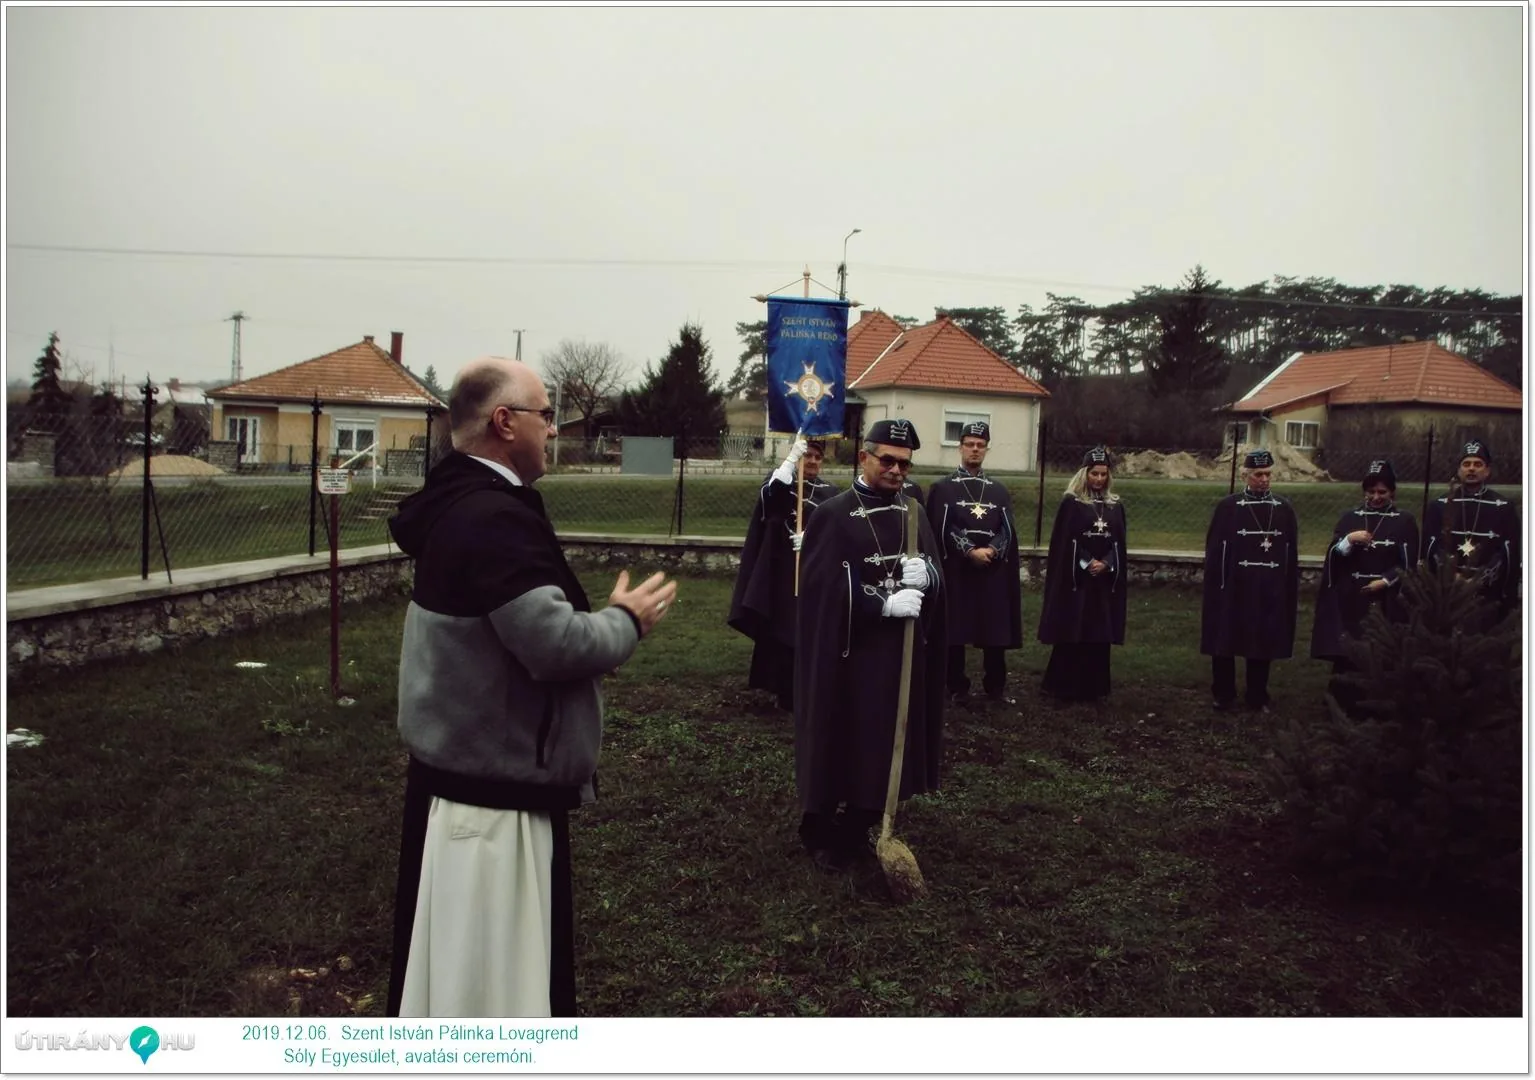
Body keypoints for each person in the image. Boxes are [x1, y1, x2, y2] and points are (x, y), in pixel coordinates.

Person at [385, 356, 677, 1018]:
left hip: (462, 786)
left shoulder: (456, 504)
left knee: (458, 982)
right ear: (503, 422)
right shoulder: (492, 518)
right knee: (495, 992)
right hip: (493, 810)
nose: (554, 430)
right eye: (545, 416)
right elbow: (555, 645)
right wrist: (626, 621)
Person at [793, 418, 946, 872]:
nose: (897, 470)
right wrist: (880, 603)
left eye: (905, 463)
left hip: (896, 656)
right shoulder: (834, 514)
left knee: (881, 739)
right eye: (888, 460)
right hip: (847, 653)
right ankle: (818, 828)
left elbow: (938, 574)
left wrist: (929, 577)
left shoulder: (913, 510)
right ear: (865, 457)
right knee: (838, 733)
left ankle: (861, 820)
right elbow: (821, 590)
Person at [728, 436, 841, 710]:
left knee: (810, 628)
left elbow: (838, 530)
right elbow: (770, 499)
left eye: (817, 457)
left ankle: (808, 686)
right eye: (807, 456)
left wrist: (814, 540)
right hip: (781, 567)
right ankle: (782, 690)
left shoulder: (831, 492)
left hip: (814, 569)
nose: (812, 461)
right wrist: (790, 461)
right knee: (782, 627)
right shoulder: (783, 480)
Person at [925, 421, 1021, 706]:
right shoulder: (943, 488)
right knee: (955, 627)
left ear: (986, 449)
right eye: (969, 444)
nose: (975, 449)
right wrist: (968, 550)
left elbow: (1007, 528)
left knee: (994, 627)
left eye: (980, 445)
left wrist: (992, 549)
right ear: (961, 447)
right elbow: (940, 527)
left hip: (991, 571)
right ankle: (956, 685)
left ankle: (995, 686)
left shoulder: (998, 490)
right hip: (958, 570)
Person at [1199, 448, 1300, 712]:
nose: (1264, 479)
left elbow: (1289, 551)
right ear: (1245, 475)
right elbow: (1215, 549)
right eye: (1258, 474)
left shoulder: (1283, 509)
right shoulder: (1228, 507)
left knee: (1262, 638)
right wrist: (1220, 582)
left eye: (1268, 474)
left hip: (1268, 586)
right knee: (1225, 636)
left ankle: (1257, 694)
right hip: (1234, 584)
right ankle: (1223, 693)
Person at [1310, 459, 1419, 685]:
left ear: (1392, 492)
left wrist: (1387, 581)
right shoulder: (1350, 517)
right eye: (1371, 491)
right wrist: (1349, 540)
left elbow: (1408, 561)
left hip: (1387, 596)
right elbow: (1334, 556)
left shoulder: (1405, 521)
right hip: (1353, 595)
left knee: (1382, 646)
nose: (1376, 497)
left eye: (1382, 492)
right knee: (1349, 645)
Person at [1037, 445, 1129, 702]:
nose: (1098, 479)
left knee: (1099, 630)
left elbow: (1119, 543)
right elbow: (1065, 543)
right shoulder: (1072, 504)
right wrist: (1087, 562)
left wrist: (1107, 563)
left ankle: (1094, 688)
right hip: (1078, 581)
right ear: (1084, 474)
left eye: (1103, 474)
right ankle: (1063, 686)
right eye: (1094, 474)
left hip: (1103, 581)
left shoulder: (1115, 506)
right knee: (1073, 629)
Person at [1422, 437, 1521, 622]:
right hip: (1448, 593)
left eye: (1478, 464)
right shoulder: (1439, 506)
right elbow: (1431, 547)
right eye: (1466, 464)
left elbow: (1508, 553)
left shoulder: (1503, 507)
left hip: (1487, 594)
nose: (1472, 468)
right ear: (1459, 470)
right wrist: (1452, 575)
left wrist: (1479, 579)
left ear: (1487, 471)